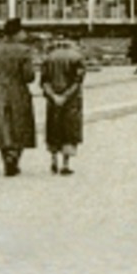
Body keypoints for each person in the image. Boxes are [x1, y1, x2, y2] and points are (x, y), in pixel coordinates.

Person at [0, 17, 38, 176]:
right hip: (18, 92)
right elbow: (28, 76)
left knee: (3, 125)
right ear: (16, 33)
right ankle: (14, 157)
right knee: (19, 124)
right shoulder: (24, 51)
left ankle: (6, 157)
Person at [40, 35, 86, 175]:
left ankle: (53, 160)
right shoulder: (77, 57)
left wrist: (53, 96)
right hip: (71, 101)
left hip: (52, 100)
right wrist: (65, 96)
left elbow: (44, 81)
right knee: (69, 131)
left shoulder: (48, 58)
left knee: (53, 129)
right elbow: (78, 81)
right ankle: (65, 164)